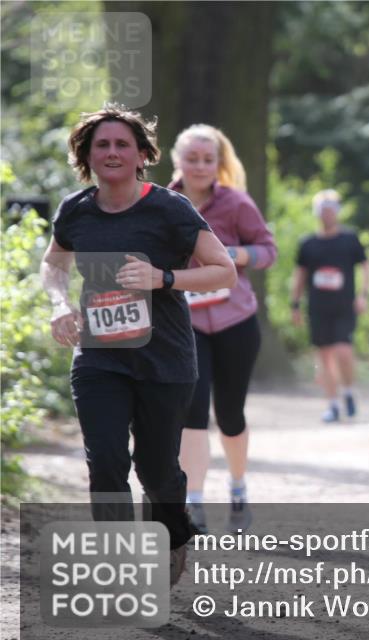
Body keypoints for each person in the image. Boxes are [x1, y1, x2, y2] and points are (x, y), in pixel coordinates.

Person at [41, 103, 237, 585]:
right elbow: (54, 263)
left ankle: (172, 534)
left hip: (164, 359)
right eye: (101, 145)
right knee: (105, 460)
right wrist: (58, 305)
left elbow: (223, 271)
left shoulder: (169, 209)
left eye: (121, 144)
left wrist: (162, 277)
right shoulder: (76, 210)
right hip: (99, 357)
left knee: (157, 470)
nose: (111, 153)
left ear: (142, 154)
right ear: (85, 155)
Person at [169, 124, 277, 534]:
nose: (199, 166)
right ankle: (194, 502)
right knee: (192, 411)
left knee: (229, 413)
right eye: (191, 158)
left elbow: (268, 250)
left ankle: (237, 488)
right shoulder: (164, 202)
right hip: (185, 322)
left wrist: (230, 254)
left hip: (236, 321)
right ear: (178, 160)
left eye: (207, 159)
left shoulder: (235, 203)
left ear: (219, 163)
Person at [291, 189, 369, 422]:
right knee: (324, 356)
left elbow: (365, 267)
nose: (327, 214)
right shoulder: (308, 243)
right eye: (322, 210)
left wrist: (363, 295)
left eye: (331, 210)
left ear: (337, 212)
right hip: (317, 307)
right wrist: (294, 305)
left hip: (344, 306)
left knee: (343, 351)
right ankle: (332, 404)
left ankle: (348, 391)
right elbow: (300, 275)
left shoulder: (349, 239)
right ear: (317, 213)